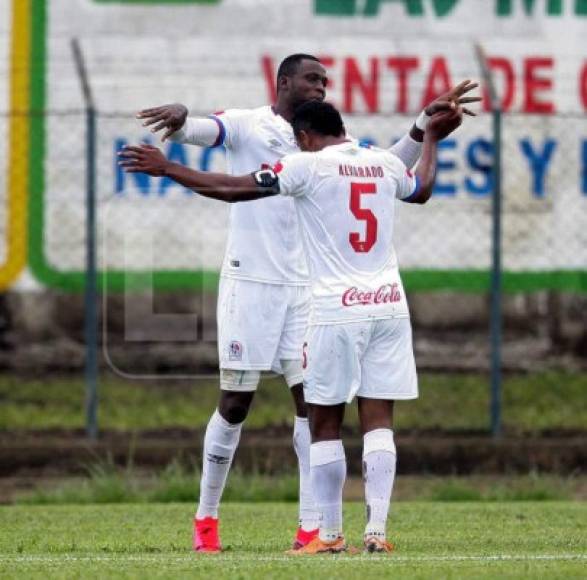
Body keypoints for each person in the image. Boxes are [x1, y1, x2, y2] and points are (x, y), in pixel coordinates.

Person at [135, 54, 479, 552]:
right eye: (312, 79)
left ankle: (313, 526)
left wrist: (422, 125)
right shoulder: (249, 124)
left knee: (312, 407)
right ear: (284, 82)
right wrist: (182, 118)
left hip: (310, 292)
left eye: (325, 81)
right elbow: (201, 132)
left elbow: (382, 164)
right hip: (251, 282)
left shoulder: (318, 152)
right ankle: (206, 520)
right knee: (235, 404)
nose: (320, 86)